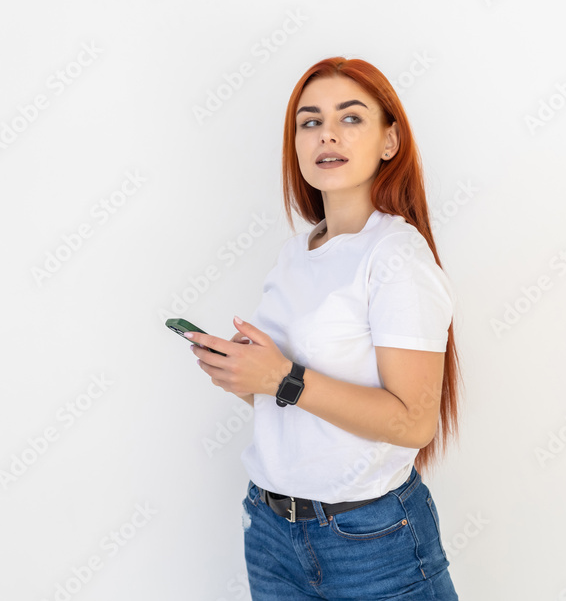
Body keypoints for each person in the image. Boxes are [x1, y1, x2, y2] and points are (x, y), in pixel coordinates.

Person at [188, 56, 462, 599]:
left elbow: (413, 423)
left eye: (351, 117)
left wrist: (282, 377)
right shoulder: (296, 252)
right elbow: (298, 404)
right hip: (270, 532)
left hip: (371, 541)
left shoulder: (396, 257)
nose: (327, 134)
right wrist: (248, 375)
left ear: (390, 141)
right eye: (310, 121)